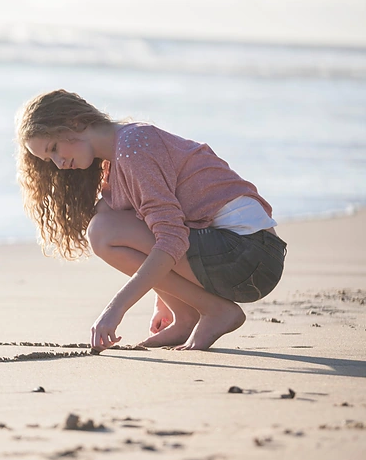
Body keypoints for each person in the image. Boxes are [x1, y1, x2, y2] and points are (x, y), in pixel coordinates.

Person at [15, 89, 286, 351]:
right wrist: (166, 302)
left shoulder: (133, 148)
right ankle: (186, 316)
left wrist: (115, 309)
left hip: (249, 256)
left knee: (103, 231)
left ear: (73, 122)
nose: (58, 163)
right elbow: (164, 222)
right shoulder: (119, 158)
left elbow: (172, 236)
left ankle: (215, 310)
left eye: (54, 148)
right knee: (106, 215)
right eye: (48, 159)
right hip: (245, 257)